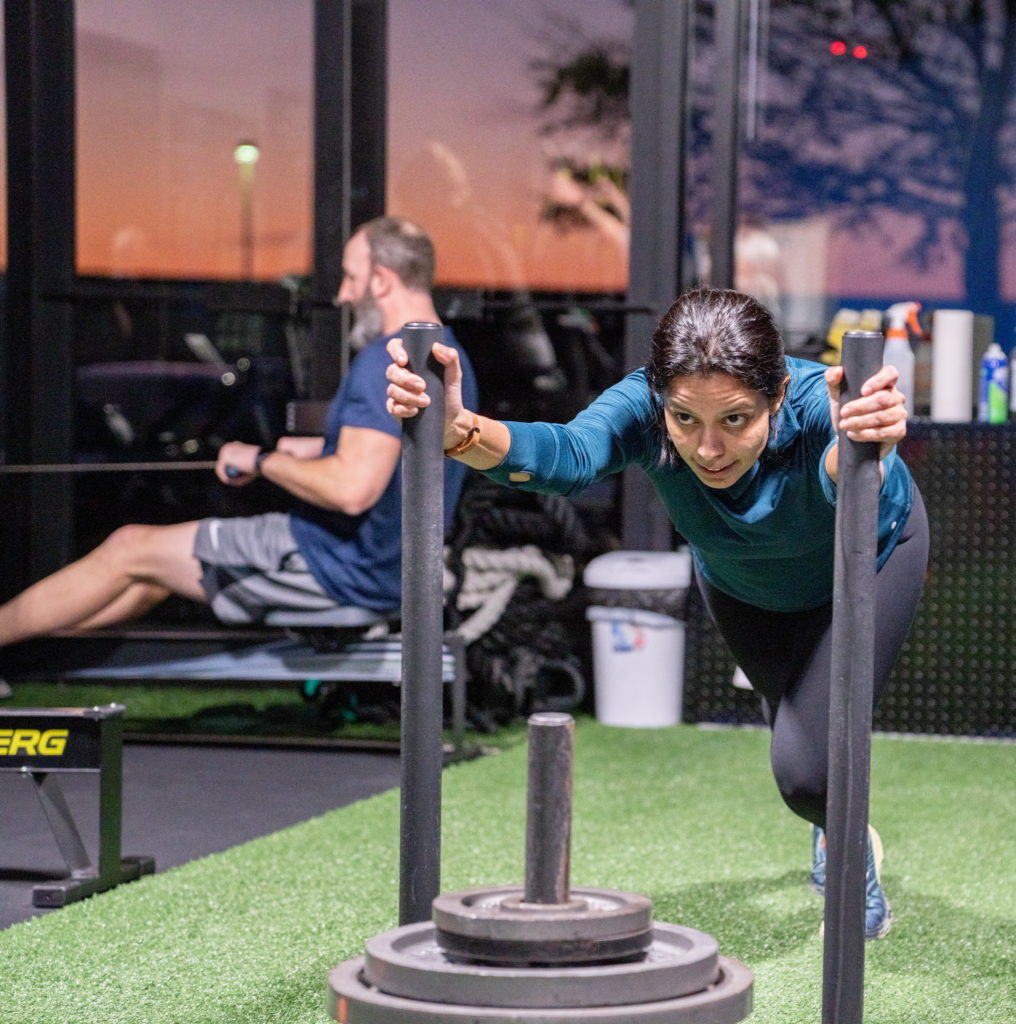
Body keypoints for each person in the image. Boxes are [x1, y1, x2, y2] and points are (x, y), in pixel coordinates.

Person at [386, 286, 928, 941]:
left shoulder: (820, 401)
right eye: (684, 420)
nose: (707, 450)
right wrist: (460, 432)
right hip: (741, 583)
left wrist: (865, 442)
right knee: (809, 764)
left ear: (777, 397)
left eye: (735, 420)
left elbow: (844, 477)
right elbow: (569, 454)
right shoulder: (641, 407)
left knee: (806, 771)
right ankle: (831, 827)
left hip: (866, 559)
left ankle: (849, 851)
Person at [0, 216, 478, 648]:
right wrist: (317, 448)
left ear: (383, 280)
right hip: (386, 569)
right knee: (151, 572)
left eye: (352, 278)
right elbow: (399, 451)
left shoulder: (386, 361)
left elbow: (352, 490)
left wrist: (261, 461)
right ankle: (34, 657)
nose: (343, 295)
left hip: (336, 565)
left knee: (129, 545)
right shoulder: (444, 355)